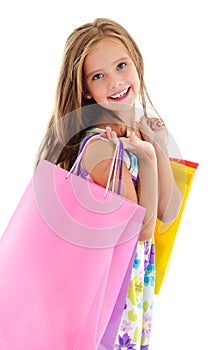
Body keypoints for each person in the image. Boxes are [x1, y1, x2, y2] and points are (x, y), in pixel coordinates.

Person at [36, 18, 182, 349]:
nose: (116, 81)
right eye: (99, 75)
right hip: (105, 291)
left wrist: (156, 146)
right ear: (86, 88)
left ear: (136, 61)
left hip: (129, 282)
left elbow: (168, 212)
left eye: (121, 65)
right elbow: (141, 230)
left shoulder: (139, 134)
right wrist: (145, 158)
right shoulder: (101, 147)